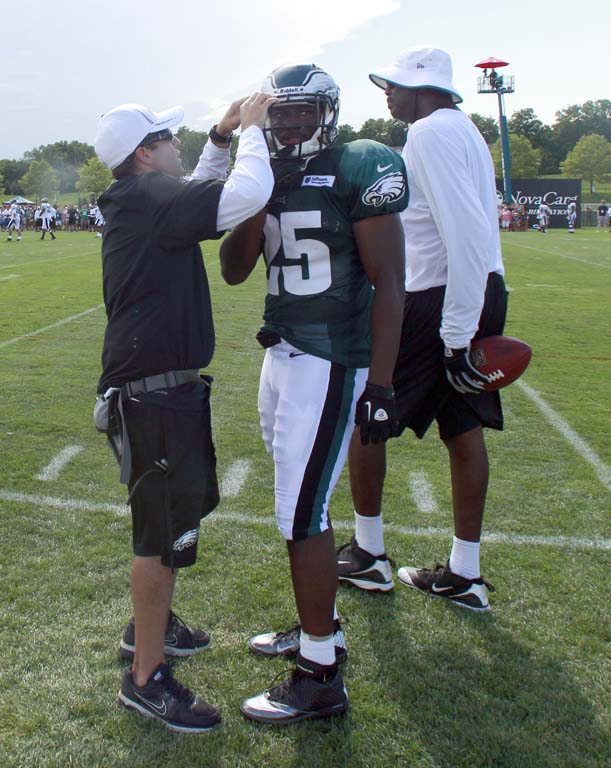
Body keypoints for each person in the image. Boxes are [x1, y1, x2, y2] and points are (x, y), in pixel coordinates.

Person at [219, 63, 407, 724]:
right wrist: (256, 201)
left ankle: (320, 674)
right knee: (299, 502)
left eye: (304, 112)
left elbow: (389, 279)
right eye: (281, 113)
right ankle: (318, 626)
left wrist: (380, 383)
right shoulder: (267, 172)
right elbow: (236, 270)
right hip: (283, 350)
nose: (291, 123)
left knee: (299, 513)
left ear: (327, 113)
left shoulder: (358, 162)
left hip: (330, 356)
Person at [93, 93, 276, 733]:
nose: (177, 144)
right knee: (160, 537)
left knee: (173, 520)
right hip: (154, 394)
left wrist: (220, 138)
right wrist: (251, 133)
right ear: (146, 152)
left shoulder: (144, 198)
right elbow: (243, 196)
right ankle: (144, 679)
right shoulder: (147, 199)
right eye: (168, 137)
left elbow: (201, 187)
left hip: (157, 388)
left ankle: (152, 627)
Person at [335, 46, 507, 612]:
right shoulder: (465, 130)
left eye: (395, 84)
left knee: (369, 411)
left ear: (422, 87)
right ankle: (465, 572)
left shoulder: (430, 134)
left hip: (439, 296)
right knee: (463, 428)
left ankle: (368, 551)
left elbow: (465, 232)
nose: (387, 93)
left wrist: (455, 335)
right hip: (474, 289)